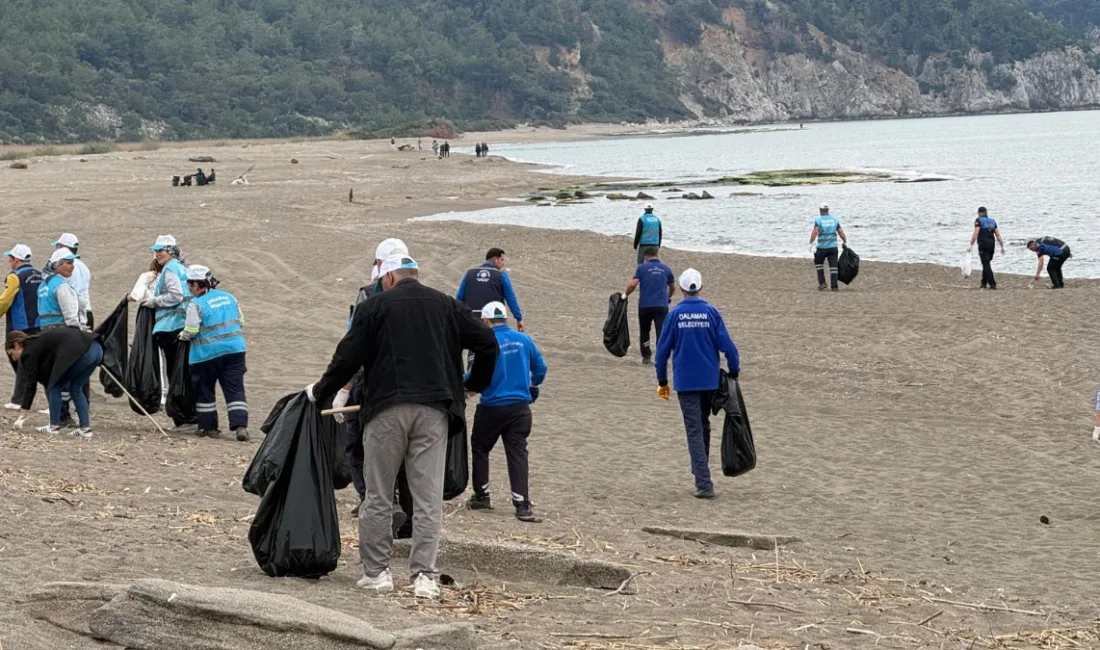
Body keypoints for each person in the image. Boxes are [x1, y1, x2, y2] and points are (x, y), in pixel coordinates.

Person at [306, 253, 499, 599]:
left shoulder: (374, 308)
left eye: (382, 280)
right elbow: (488, 342)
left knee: (379, 494)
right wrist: (474, 385)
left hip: (386, 410)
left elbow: (346, 357)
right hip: (434, 412)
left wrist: (321, 393)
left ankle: (378, 573)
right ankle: (424, 576)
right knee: (427, 498)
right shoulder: (447, 306)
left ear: (390, 277)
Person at [339, 237, 417, 536]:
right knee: (408, 456)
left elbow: (354, 345)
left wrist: (343, 388)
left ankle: (376, 503)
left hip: (374, 384)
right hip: (414, 385)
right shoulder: (427, 297)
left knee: (363, 444)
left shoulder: (368, 296)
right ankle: (407, 519)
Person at [654, 268, 741, 499]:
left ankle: (704, 483)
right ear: (699, 287)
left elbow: (662, 352)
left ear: (682, 289)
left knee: (695, 430)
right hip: (708, 381)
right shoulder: (711, 313)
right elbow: (728, 346)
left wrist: (662, 380)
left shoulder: (674, 316)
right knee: (702, 426)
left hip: (686, 382)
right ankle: (700, 470)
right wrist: (734, 369)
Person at [467, 301, 547, 522]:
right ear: (505, 318)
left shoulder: (485, 342)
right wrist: (533, 385)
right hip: (520, 407)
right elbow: (541, 368)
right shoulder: (524, 340)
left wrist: (461, 385)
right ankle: (522, 504)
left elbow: (475, 376)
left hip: (492, 406)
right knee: (518, 452)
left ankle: (482, 495)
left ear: (485, 320)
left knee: (480, 448)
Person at [179, 265, 249, 441]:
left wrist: (182, 336)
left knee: (205, 391)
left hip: (205, 355)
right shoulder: (229, 297)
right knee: (235, 389)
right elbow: (240, 321)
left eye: (189, 284)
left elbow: (191, 330)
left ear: (196, 285)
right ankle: (240, 426)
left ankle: (208, 428)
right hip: (235, 350)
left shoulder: (196, 304)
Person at [136, 235, 194, 428]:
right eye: (155, 250)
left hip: (171, 328)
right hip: (182, 326)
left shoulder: (170, 269)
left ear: (170, 251)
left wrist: (154, 301)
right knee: (183, 372)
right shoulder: (182, 269)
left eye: (160, 250)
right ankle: (189, 415)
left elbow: (175, 295)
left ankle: (183, 417)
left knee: (174, 372)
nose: (157, 254)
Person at [7, 328, 102, 438]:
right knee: (76, 387)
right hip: (96, 349)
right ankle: (85, 430)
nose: (13, 359)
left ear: (17, 345)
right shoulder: (39, 342)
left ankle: (53, 427)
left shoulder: (28, 352)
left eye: (12, 354)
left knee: (54, 386)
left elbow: (31, 385)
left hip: (82, 352)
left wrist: (22, 414)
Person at [1, 245, 43, 410]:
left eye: (10, 259)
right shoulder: (40, 275)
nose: (9, 263)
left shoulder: (14, 277)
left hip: (19, 326)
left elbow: (5, 300)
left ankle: (18, 399)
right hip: (38, 323)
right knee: (32, 360)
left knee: (19, 359)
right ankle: (21, 397)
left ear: (16, 260)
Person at [624, 246, 675, 365]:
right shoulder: (666, 269)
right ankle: (661, 356)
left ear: (646, 257)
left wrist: (625, 295)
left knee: (645, 330)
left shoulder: (641, 268)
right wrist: (668, 297)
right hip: (661, 306)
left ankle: (646, 356)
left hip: (645, 305)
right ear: (657, 255)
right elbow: (672, 287)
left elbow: (633, 284)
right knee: (661, 331)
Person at [456, 248, 525, 332]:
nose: (503, 264)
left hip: (471, 318)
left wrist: (456, 316)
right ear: (495, 260)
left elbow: (459, 297)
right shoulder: (501, 275)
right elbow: (510, 298)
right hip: (492, 320)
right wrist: (519, 318)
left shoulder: (469, 273)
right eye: (502, 260)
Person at [38, 248, 87, 330]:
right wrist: (77, 332)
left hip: (45, 331)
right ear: (57, 265)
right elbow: (71, 316)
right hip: (62, 331)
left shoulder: (42, 285)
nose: (72, 266)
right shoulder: (61, 286)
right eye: (69, 263)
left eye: (72, 263)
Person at [50, 233, 92, 328]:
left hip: (76, 316)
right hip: (87, 312)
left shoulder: (65, 268)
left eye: (57, 246)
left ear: (62, 247)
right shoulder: (84, 267)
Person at [809, 204, 847, 291]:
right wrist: (845, 241)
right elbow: (840, 232)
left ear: (820, 209)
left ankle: (822, 283)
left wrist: (811, 242)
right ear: (828, 209)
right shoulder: (835, 220)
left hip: (821, 247)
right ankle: (834, 286)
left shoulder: (818, 220)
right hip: (833, 247)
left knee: (819, 264)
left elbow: (815, 232)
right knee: (833, 267)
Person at [968, 207, 1005, 290]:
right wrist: (1002, 246)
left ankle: (992, 283)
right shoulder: (992, 221)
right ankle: (983, 283)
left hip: (983, 244)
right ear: (986, 212)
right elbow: (998, 235)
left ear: (979, 213)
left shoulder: (978, 221)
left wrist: (971, 244)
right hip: (992, 245)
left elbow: (976, 233)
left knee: (986, 264)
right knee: (986, 262)